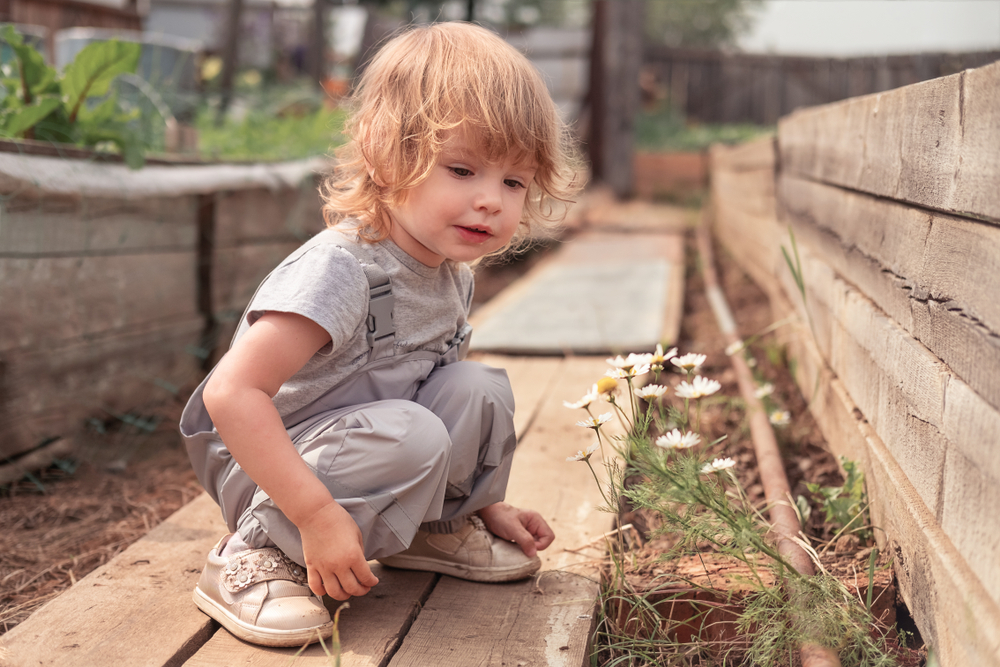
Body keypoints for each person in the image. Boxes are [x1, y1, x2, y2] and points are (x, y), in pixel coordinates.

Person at [179, 21, 582, 648]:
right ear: (384, 152)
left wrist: (483, 503)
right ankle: (255, 554)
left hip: (371, 447)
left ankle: (432, 528)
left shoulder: (451, 275)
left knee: (477, 388)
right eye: (462, 169)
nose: (491, 201)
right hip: (269, 471)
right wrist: (314, 513)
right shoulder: (341, 269)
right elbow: (230, 395)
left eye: (513, 181)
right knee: (411, 430)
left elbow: (439, 397)